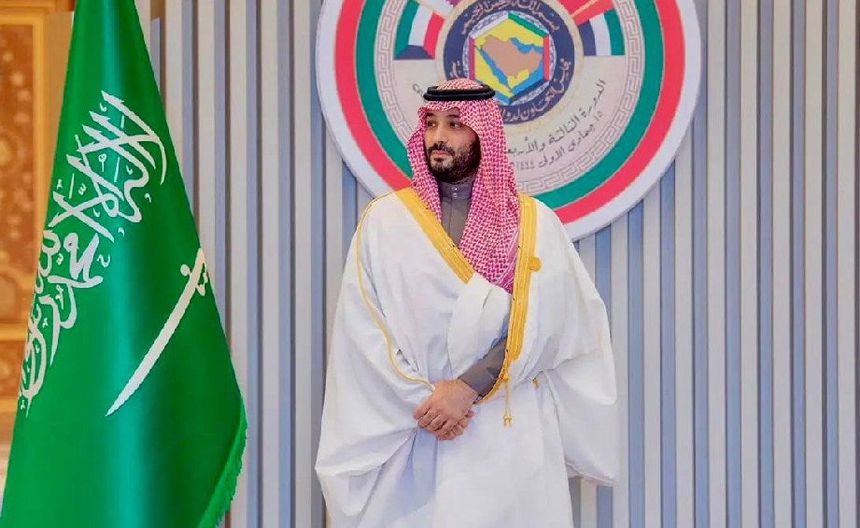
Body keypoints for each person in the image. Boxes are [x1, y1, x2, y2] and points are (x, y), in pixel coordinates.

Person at [316, 78, 619, 527]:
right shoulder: (385, 222)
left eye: (455, 124)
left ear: (484, 134)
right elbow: (362, 330)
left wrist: (465, 389)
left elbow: (553, 323)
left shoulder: (534, 224)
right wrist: (431, 402)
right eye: (432, 124)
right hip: (417, 428)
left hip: (506, 433)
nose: (439, 137)